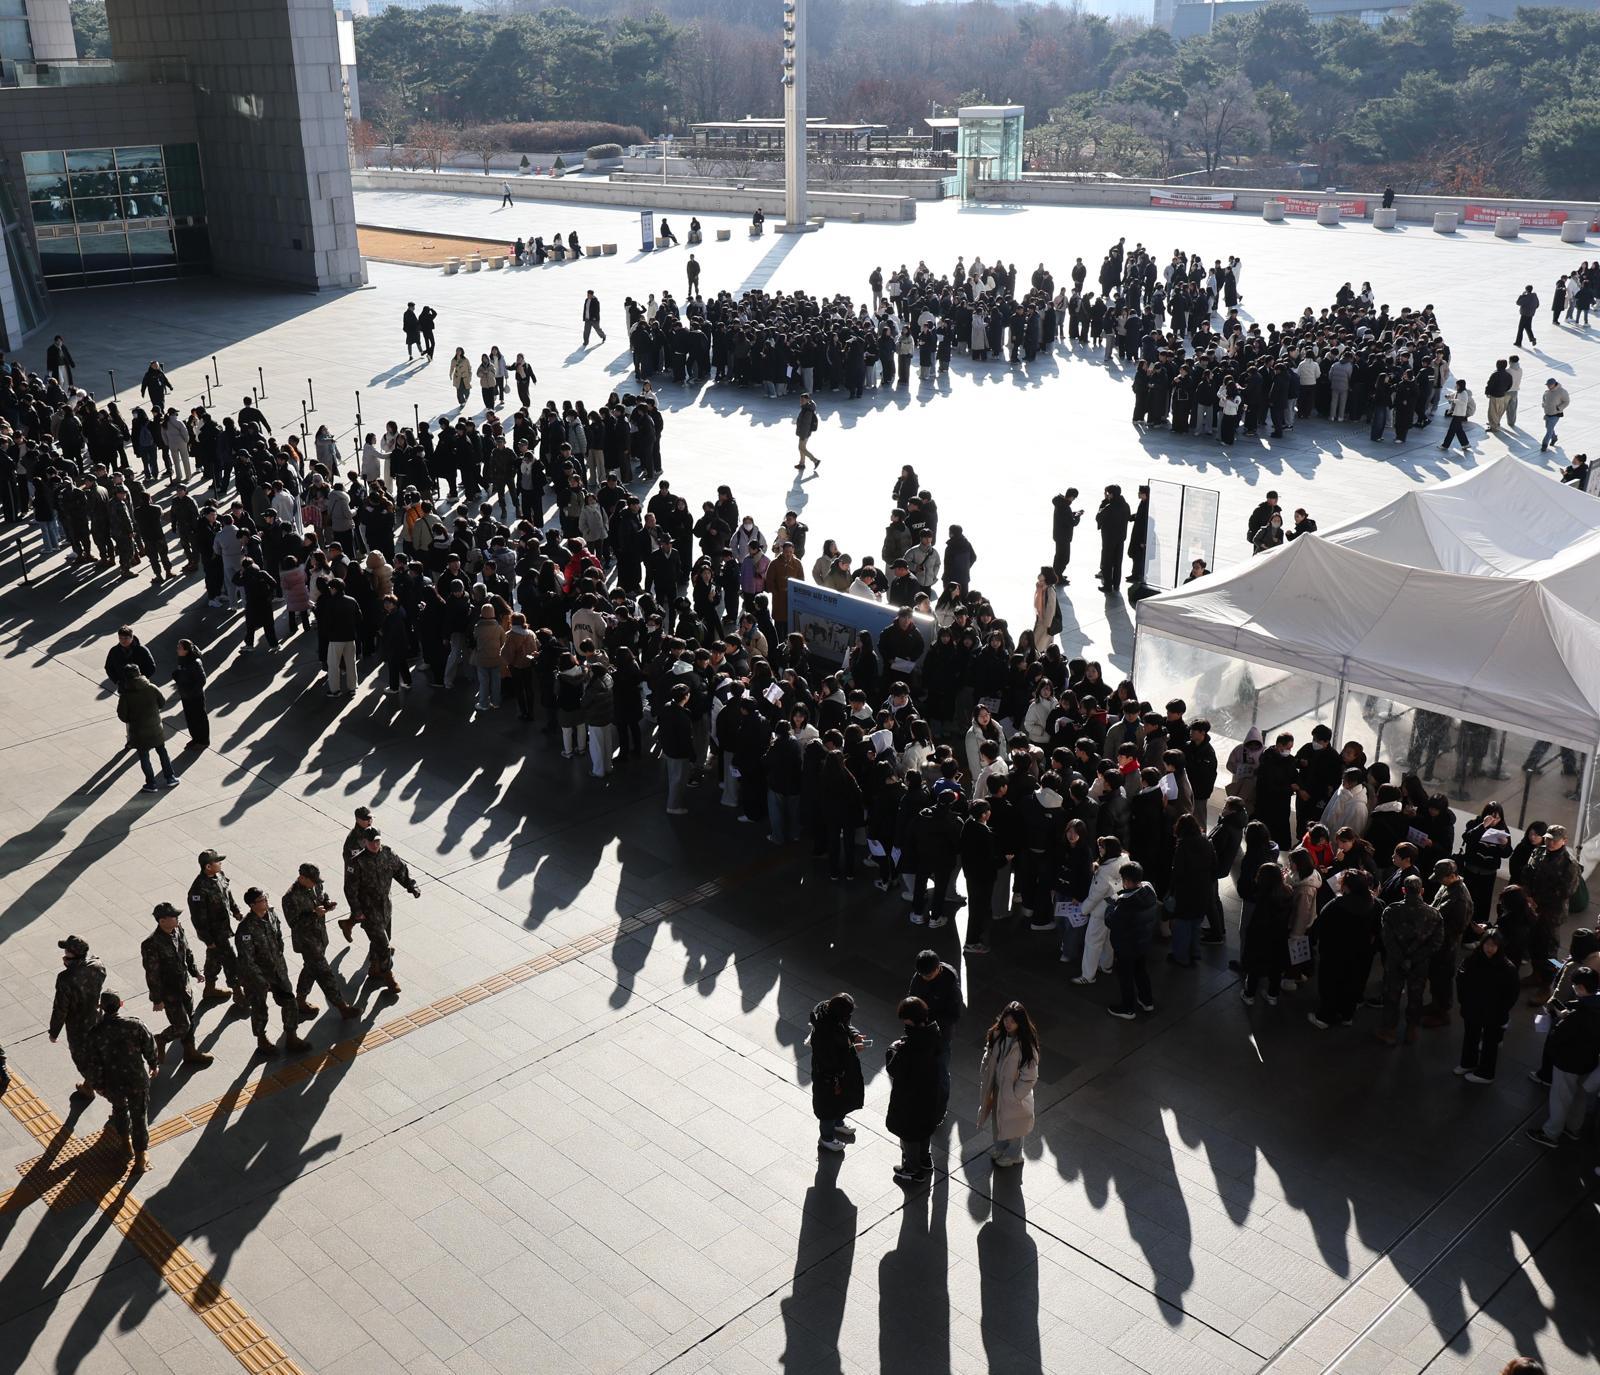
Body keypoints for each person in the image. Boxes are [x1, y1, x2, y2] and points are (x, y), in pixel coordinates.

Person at [1524, 966, 1600, 1147]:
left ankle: (1551, 1133)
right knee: (1580, 1097)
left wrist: (1561, 1019)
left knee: (1560, 1097)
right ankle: (1573, 1128)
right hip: (1589, 1061)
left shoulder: (1578, 1015)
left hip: (1568, 1061)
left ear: (1580, 988)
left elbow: (1560, 1035)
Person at [84, 990, 159, 1173]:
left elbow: (93, 1064)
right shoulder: (134, 1025)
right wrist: (153, 1064)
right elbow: (150, 1046)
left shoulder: (95, 1033)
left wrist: (99, 1084)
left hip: (113, 1082)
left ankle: (126, 1144)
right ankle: (141, 1158)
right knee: (139, 1116)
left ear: (100, 1008)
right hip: (136, 1079)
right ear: (121, 1004)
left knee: (119, 1110)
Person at [236, 887, 311, 1057]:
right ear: (252, 905)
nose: (266, 901)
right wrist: (260, 979)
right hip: (257, 975)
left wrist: (279, 961)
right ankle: (261, 1039)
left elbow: (278, 940)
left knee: (289, 1001)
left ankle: (291, 1035)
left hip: (277, 969)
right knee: (259, 1007)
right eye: (262, 899)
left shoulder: (272, 915)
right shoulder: (246, 929)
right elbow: (247, 959)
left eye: (265, 897)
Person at [347, 828, 421, 997]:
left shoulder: (387, 854)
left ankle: (374, 968)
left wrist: (411, 885)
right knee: (383, 944)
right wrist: (357, 911)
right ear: (365, 842)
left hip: (386, 906)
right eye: (372, 842)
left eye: (377, 841)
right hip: (368, 910)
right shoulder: (357, 862)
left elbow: (400, 870)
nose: (375, 844)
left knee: (383, 938)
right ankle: (389, 976)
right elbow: (350, 889)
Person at [885, 996, 948, 1186]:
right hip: (929, 1093)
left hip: (910, 1097)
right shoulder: (933, 1033)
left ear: (910, 1019)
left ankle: (913, 1170)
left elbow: (894, 1069)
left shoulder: (911, 1046)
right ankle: (924, 1159)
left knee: (909, 1134)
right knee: (924, 1128)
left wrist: (892, 1051)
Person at [282, 863, 357, 1021]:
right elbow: (293, 923)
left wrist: (327, 904)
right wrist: (314, 914)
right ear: (302, 878)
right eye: (312, 881)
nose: (316, 884)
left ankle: (300, 1001)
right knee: (325, 974)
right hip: (307, 942)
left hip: (320, 937)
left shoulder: (316, 885)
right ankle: (342, 1007)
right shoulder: (290, 897)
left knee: (310, 969)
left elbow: (322, 896)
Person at [1377, 874, 1443, 1045]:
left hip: (1395, 961)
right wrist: (1414, 958)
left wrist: (1401, 958)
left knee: (1391, 995)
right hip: (1419, 963)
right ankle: (1411, 1030)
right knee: (1416, 996)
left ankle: (1389, 1030)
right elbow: (1436, 943)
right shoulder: (1434, 914)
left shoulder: (1391, 911)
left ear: (1404, 890)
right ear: (1422, 890)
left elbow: (1387, 939)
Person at [1308, 869, 1378, 1028]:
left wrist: (1312, 941)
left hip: (1334, 952)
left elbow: (1319, 925)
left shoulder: (1337, 904)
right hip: (1361, 954)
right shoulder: (1375, 904)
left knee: (1330, 984)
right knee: (1353, 983)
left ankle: (1324, 1017)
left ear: (1347, 887)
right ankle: (1347, 1015)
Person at [976, 1000, 1039, 1167]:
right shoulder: (997, 1035)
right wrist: (985, 1070)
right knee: (999, 1121)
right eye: (1006, 1019)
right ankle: (1002, 1148)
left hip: (1012, 1093)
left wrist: (1015, 1095)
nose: (1008, 1024)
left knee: (1015, 1125)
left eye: (1013, 1021)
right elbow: (988, 1055)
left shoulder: (1026, 1047)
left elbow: (1030, 1077)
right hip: (998, 1088)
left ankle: (1014, 1155)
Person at [1452, 928, 1519, 1084]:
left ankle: (1485, 1073)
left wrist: (1501, 1010)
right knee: (1471, 1037)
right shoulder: (1472, 961)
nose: (1490, 948)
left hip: (1493, 1012)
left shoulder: (1507, 968)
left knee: (1490, 1043)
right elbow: (1461, 981)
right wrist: (1464, 1001)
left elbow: (1512, 994)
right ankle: (1468, 1063)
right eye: (1487, 944)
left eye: (1494, 945)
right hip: (1473, 1008)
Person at [49, 934, 107, 1101]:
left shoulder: (65, 978)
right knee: (96, 1051)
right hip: (97, 1017)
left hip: (78, 1025)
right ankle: (88, 1086)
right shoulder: (98, 966)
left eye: (67, 952)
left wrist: (54, 1031)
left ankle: (100, 1088)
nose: (64, 953)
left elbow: (61, 1008)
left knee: (81, 1059)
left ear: (74, 955)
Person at [808, 992, 865, 1151]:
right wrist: (851, 1050)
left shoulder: (831, 1014)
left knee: (841, 1101)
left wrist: (854, 1036)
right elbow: (829, 1060)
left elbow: (846, 1026)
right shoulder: (825, 1033)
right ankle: (826, 1137)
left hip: (841, 1071)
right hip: (829, 1076)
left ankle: (838, 1123)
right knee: (828, 1107)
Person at [1105, 861, 1160, 1017]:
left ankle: (1127, 1008)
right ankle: (1146, 1001)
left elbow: (1110, 921)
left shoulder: (1126, 905)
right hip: (1142, 942)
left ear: (1127, 881)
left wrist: (1111, 905)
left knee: (1125, 976)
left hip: (1126, 946)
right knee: (1141, 971)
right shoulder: (1149, 889)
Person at [118, 667, 179, 793]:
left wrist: (132, 719)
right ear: (139, 673)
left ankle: (151, 783)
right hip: (156, 728)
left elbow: (122, 715)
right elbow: (162, 703)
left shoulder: (126, 695)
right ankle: (170, 777)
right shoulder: (151, 687)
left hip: (138, 732)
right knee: (162, 752)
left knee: (144, 757)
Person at [1096, 484, 1131, 591]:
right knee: (1117, 562)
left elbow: (1098, 517)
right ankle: (1116, 584)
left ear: (1111, 494)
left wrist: (1105, 501)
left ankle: (1107, 585)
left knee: (1107, 562)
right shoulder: (1125, 505)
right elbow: (1128, 517)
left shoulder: (1109, 507)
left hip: (1109, 539)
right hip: (1120, 539)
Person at [1540, 377, 1570, 453]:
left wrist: (1559, 408)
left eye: (1549, 385)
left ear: (1554, 384)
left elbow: (1566, 401)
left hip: (1556, 414)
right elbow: (1544, 398)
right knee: (1548, 428)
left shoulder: (1562, 391)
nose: (1548, 386)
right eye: (1547, 385)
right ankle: (1554, 438)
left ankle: (1544, 445)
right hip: (1547, 413)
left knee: (1549, 430)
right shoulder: (1547, 392)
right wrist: (1544, 404)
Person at [795, 394, 819, 473]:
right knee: (801, 448)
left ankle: (815, 460)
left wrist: (803, 435)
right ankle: (802, 463)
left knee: (802, 448)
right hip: (804, 432)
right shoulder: (806, 408)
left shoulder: (807, 410)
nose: (801, 401)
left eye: (803, 400)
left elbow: (806, 424)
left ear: (808, 400)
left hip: (804, 433)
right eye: (800, 400)